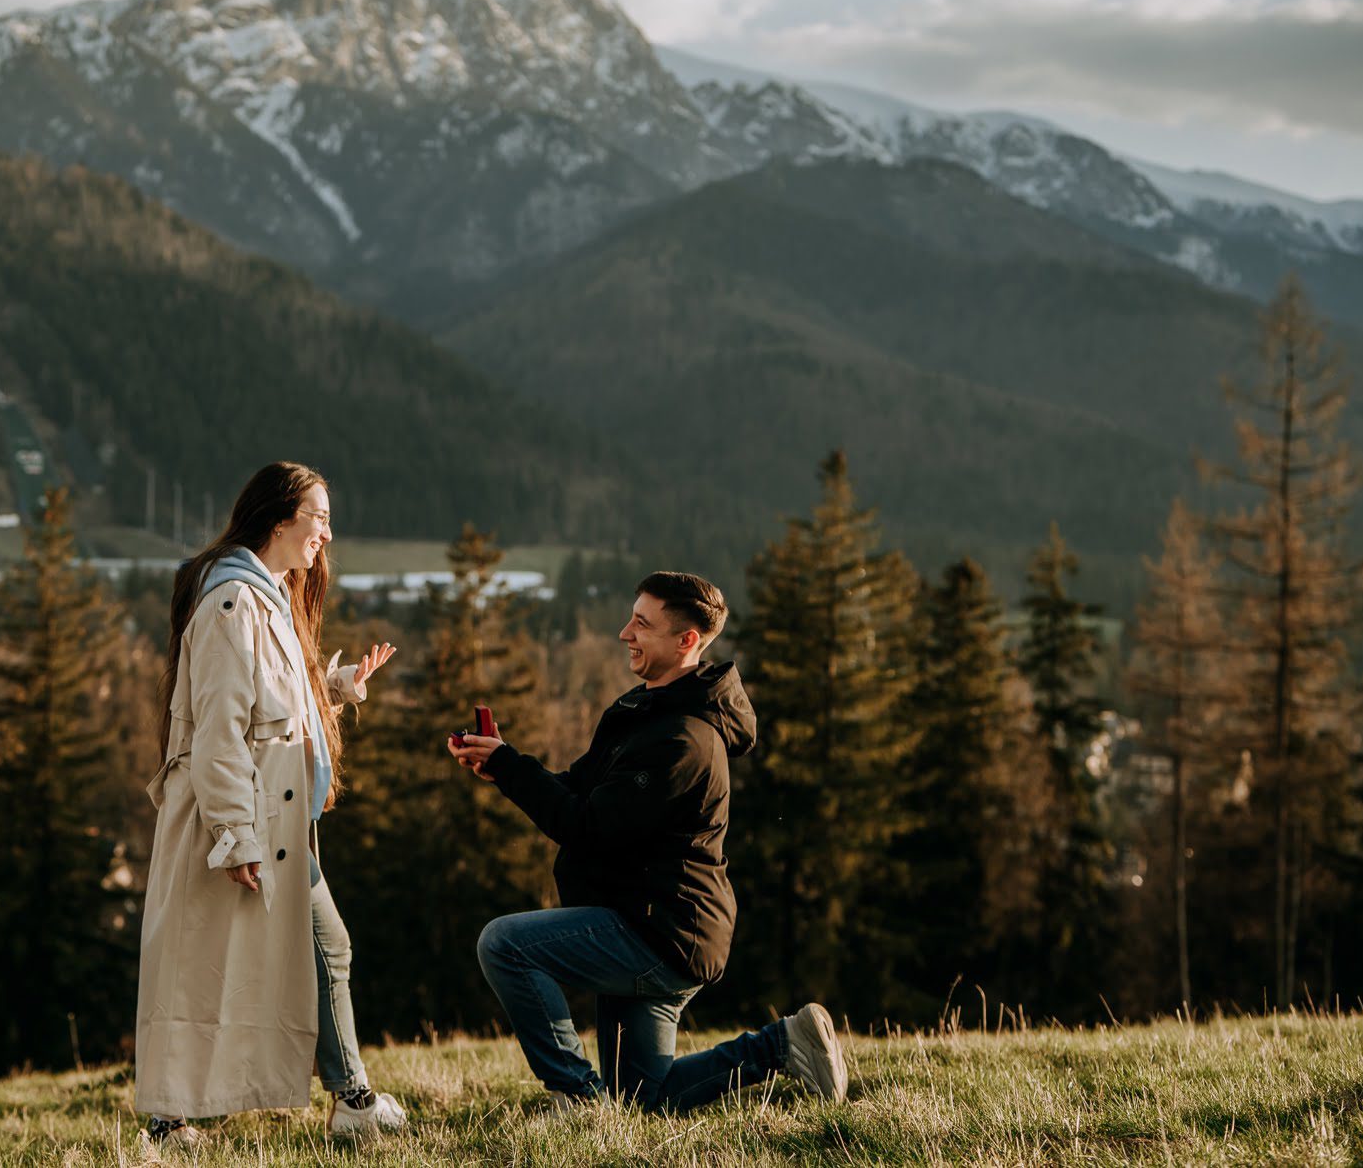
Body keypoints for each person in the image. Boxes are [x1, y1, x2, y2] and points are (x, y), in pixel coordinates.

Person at [447, 571, 849, 1112]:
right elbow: (579, 789)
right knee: (643, 1098)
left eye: (642, 623)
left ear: (686, 640)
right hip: (648, 921)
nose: (625, 633)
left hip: (661, 934)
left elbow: (587, 828)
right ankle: (783, 1044)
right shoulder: (643, 711)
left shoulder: (683, 740)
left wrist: (511, 769)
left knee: (505, 944)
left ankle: (578, 1098)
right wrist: (502, 762)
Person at [135, 462, 409, 1152]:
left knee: (306, 950)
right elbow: (219, 729)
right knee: (205, 963)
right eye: (320, 517)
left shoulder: (268, 595)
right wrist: (236, 834)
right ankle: (173, 1123)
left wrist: (335, 688)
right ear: (281, 519)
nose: (327, 533)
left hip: (276, 820)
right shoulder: (233, 603)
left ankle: (346, 1099)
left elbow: (272, 700)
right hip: (242, 821)